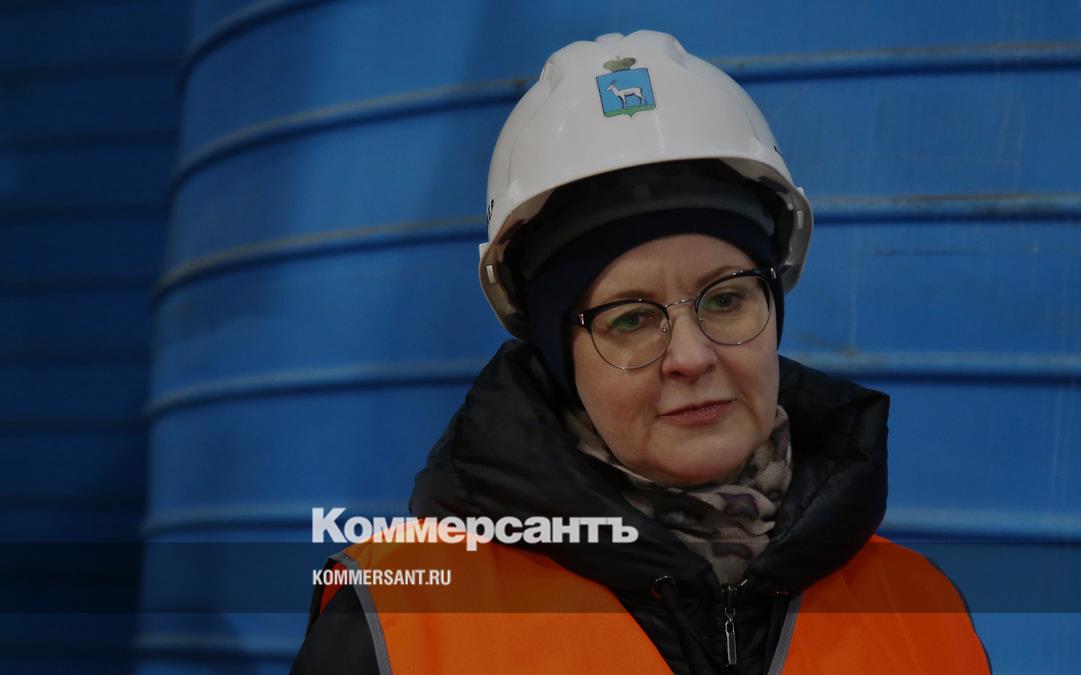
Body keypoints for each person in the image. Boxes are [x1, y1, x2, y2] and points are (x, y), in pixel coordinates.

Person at [291, 30, 989, 674]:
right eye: (630, 319)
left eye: (725, 298)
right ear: (560, 356)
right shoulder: (402, 621)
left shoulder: (920, 610)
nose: (691, 357)